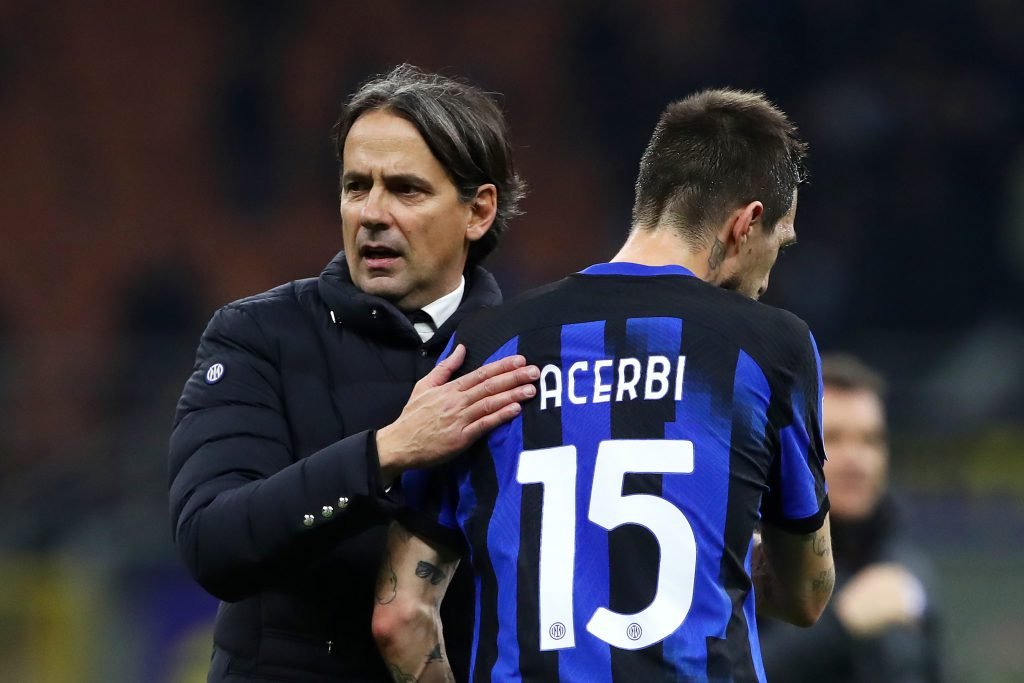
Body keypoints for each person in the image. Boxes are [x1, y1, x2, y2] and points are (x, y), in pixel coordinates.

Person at [371, 88, 835, 683]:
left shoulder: (488, 344)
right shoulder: (772, 348)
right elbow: (807, 595)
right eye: (780, 242)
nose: (770, 278)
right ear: (745, 225)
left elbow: (400, 618)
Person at [168, 64, 539, 682]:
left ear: (478, 211)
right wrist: (387, 451)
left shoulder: (529, 355)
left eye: (405, 190)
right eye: (355, 186)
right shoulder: (258, 337)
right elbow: (213, 543)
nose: (371, 213)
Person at [758, 353, 946, 683]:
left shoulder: (908, 568)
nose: (856, 460)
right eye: (833, 438)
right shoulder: (755, 558)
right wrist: (843, 622)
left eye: (870, 440)